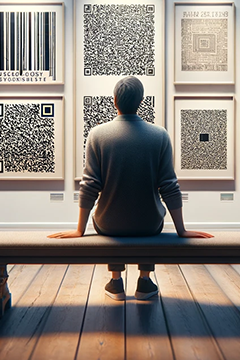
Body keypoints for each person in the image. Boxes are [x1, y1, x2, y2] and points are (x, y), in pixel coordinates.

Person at [49, 76, 213, 301]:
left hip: (108, 226)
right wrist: (181, 230)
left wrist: (79, 230)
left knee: (111, 216)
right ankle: (144, 281)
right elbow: (169, 186)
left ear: (114, 100)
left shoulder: (97, 135)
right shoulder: (160, 135)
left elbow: (90, 185)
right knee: (150, 216)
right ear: (141, 101)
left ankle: (116, 281)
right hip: (149, 224)